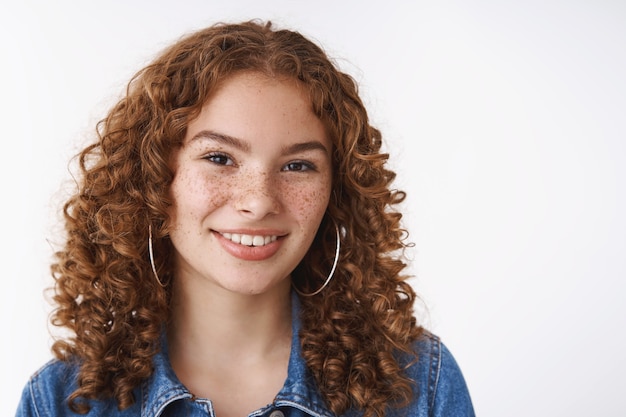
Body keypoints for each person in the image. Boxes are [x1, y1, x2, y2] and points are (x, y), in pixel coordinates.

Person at [15, 20, 474, 417]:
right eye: (219, 158)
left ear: (338, 191)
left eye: (298, 166)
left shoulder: (419, 386)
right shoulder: (60, 401)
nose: (258, 202)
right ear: (154, 179)